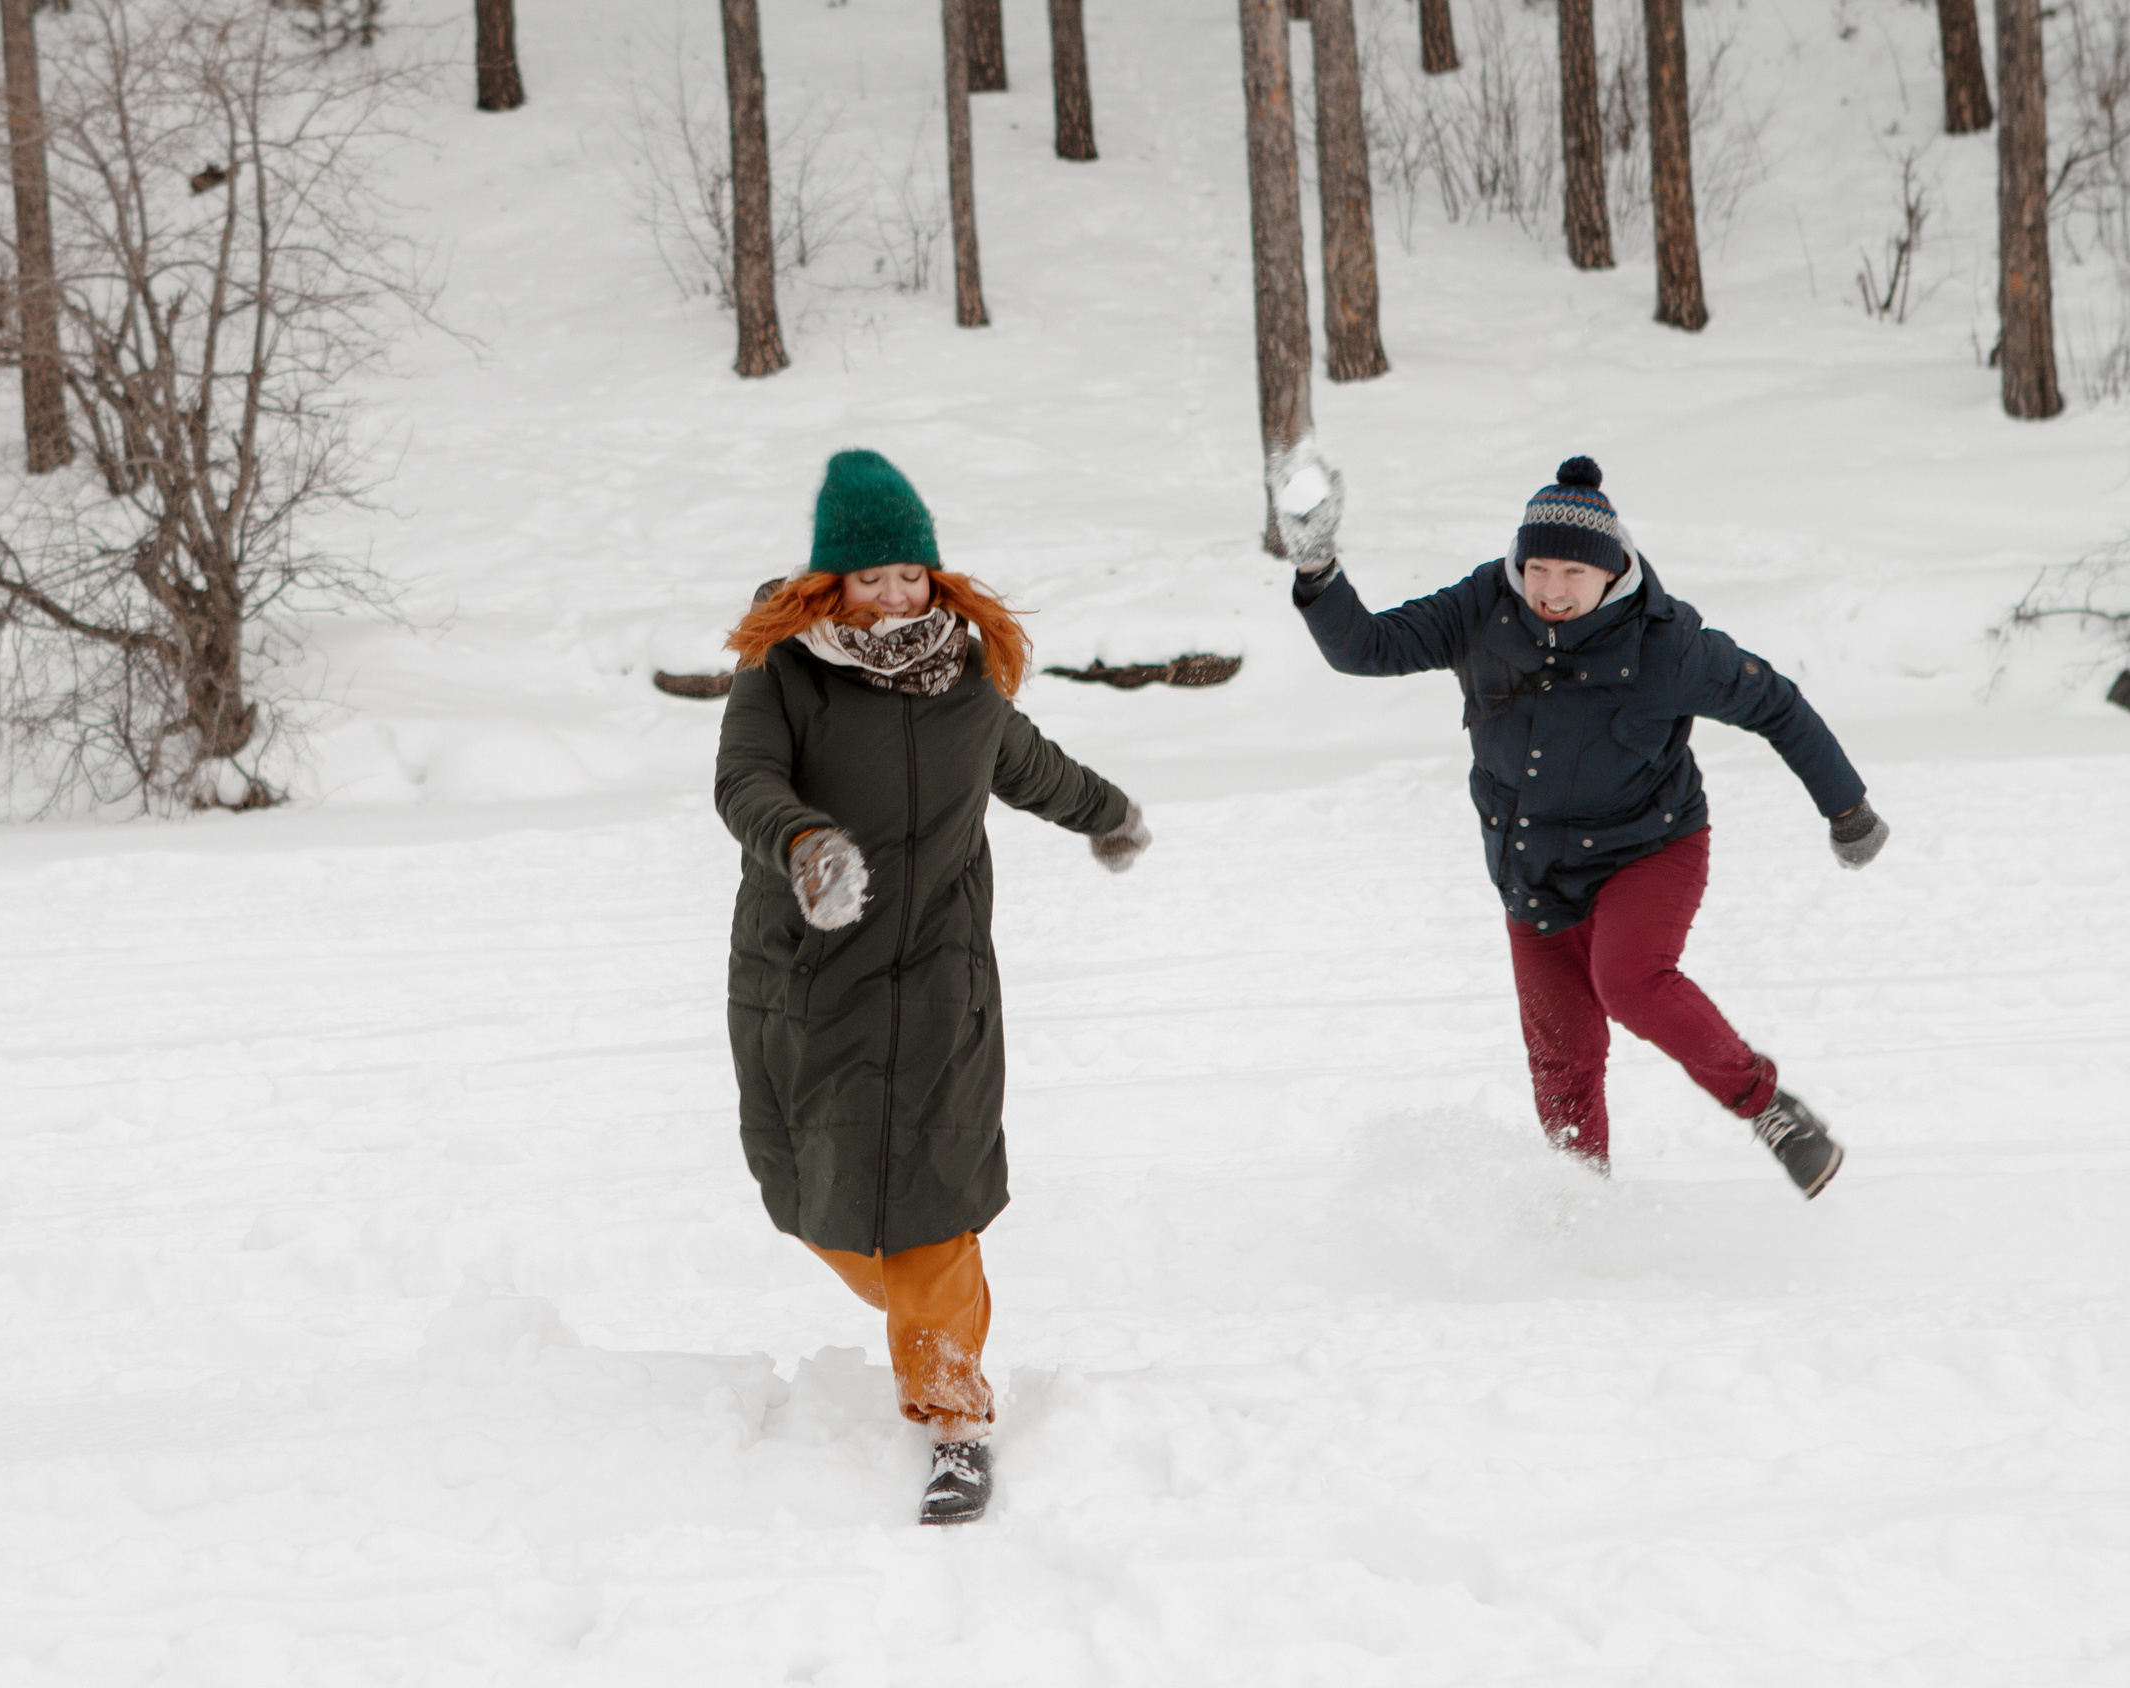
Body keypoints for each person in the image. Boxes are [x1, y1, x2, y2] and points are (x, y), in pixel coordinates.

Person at [715, 449, 1151, 1525]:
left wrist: (1109, 814)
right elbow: (743, 781)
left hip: (940, 978)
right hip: (809, 972)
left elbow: (1032, 764)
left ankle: (954, 1411)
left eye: (913, 571)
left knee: (925, 1210)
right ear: (832, 581)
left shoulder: (963, 677)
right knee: (816, 1199)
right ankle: (923, 1308)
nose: (899, 592)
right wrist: (806, 842)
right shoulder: (784, 675)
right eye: (875, 576)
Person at [1285, 455, 1887, 1194]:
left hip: (1649, 848)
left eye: (1573, 573)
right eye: (1538, 568)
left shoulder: (1666, 644)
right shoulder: (1483, 606)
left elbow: (1776, 705)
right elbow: (1366, 647)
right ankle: (1581, 1208)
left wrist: (1847, 809)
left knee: (1630, 981)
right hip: (1531, 871)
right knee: (1561, 1059)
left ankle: (1771, 1110)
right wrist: (1317, 570)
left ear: (1612, 571)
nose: (1551, 590)